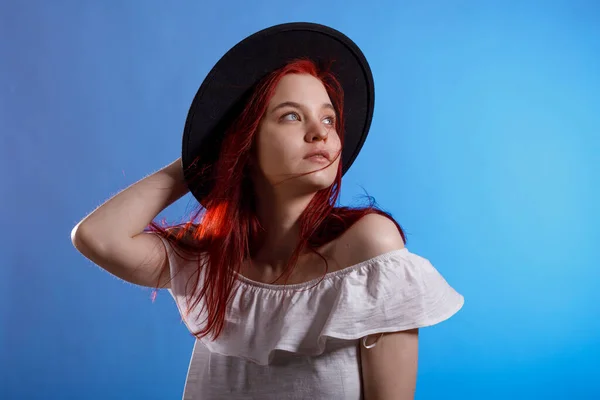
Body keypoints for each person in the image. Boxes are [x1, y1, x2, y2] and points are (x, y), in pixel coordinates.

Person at [71, 22, 464, 400]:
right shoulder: (207, 257)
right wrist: (203, 159)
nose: (321, 132)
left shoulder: (368, 247)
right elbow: (96, 237)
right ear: (244, 141)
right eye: (292, 116)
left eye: (329, 118)